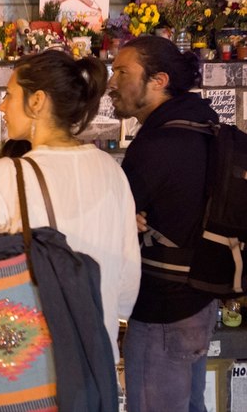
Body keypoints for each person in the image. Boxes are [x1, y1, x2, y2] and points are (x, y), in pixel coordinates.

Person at [0, 50, 141, 400]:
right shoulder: (113, 172)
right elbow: (128, 287)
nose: (3, 107)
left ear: (37, 101)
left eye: (9, 95)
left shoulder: (10, 175)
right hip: (95, 370)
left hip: (30, 376)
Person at [108, 35, 219, 412]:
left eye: (122, 72)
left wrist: (124, 216)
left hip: (163, 312)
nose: (111, 82)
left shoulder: (159, 143)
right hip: (200, 300)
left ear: (159, 81)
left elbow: (114, 219)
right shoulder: (204, 126)